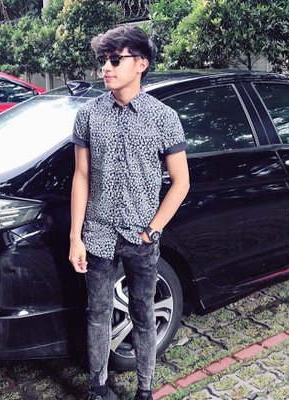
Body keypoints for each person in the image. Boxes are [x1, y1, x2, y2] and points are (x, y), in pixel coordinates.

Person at [69, 25, 190, 400]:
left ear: (141, 63)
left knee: (143, 311)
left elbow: (181, 182)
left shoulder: (163, 117)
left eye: (115, 59)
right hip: (98, 232)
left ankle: (144, 390)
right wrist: (75, 237)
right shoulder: (88, 115)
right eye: (102, 59)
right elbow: (81, 175)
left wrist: (153, 229)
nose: (106, 67)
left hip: (141, 235)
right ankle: (98, 388)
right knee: (97, 312)